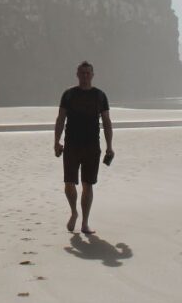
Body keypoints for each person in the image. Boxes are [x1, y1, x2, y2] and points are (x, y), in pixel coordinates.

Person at [54, 61, 113, 235]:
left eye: (88, 73)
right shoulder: (69, 94)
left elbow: (107, 122)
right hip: (71, 145)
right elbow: (60, 119)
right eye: (82, 73)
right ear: (77, 74)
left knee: (88, 185)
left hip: (92, 146)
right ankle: (73, 212)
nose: (85, 76)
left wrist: (110, 146)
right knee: (69, 183)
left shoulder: (100, 96)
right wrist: (56, 141)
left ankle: (85, 223)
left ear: (93, 75)